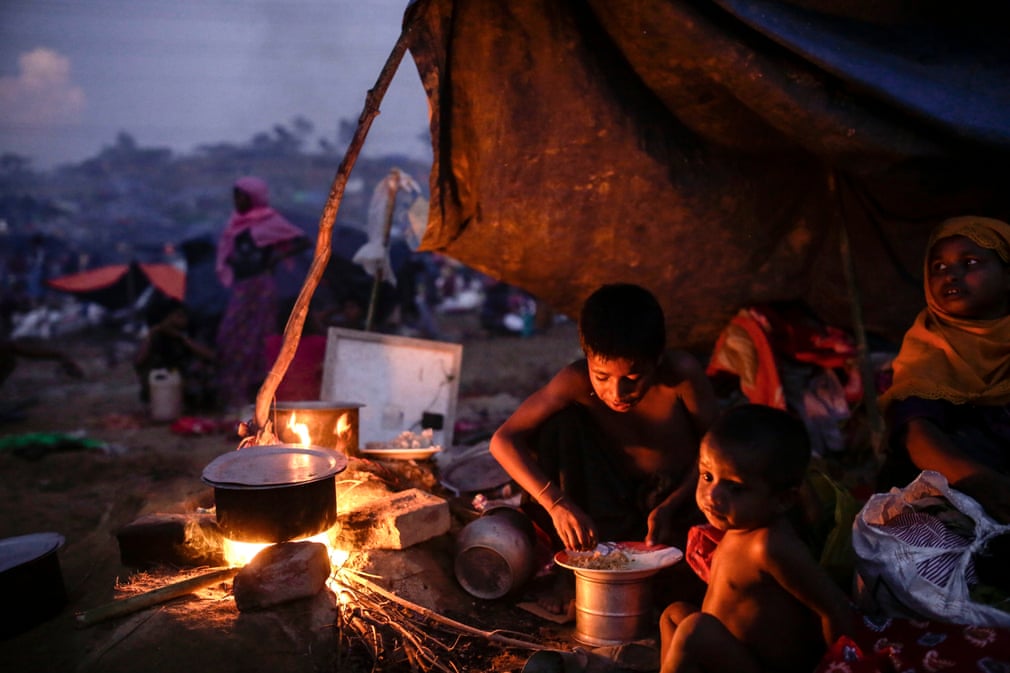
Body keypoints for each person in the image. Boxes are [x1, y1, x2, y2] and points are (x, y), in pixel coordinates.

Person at [489, 282, 718, 609]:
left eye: (633, 377)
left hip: (679, 500)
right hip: (606, 505)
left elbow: (717, 449)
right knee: (557, 427)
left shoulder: (681, 376)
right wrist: (556, 503)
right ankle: (571, 573)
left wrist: (672, 505)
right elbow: (502, 440)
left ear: (658, 358)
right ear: (588, 358)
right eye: (602, 376)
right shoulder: (576, 381)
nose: (617, 392)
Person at [659, 404, 855, 673]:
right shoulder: (739, 527)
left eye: (734, 487)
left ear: (782, 499)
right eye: (707, 476)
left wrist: (835, 665)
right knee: (674, 614)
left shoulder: (769, 545)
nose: (712, 495)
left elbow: (834, 607)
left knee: (695, 628)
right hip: (730, 654)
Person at [876, 215, 1010, 522]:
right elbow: (918, 436)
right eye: (939, 267)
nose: (951, 275)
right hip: (954, 498)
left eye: (971, 262)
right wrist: (987, 485)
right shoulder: (928, 348)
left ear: (1007, 277)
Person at [215, 176, 308, 412]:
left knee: (258, 340)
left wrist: (277, 257)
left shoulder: (269, 221)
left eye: (242, 196)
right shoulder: (235, 224)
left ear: (253, 197)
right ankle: (234, 393)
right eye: (235, 196)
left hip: (260, 288)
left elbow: (302, 241)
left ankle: (255, 397)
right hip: (241, 288)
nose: (237, 201)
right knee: (231, 337)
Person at [134, 295, 217, 413]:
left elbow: (211, 356)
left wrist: (183, 339)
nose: (182, 319)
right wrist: (152, 334)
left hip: (186, 382)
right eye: (177, 316)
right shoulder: (155, 336)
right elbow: (139, 361)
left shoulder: (191, 332)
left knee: (201, 368)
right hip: (162, 384)